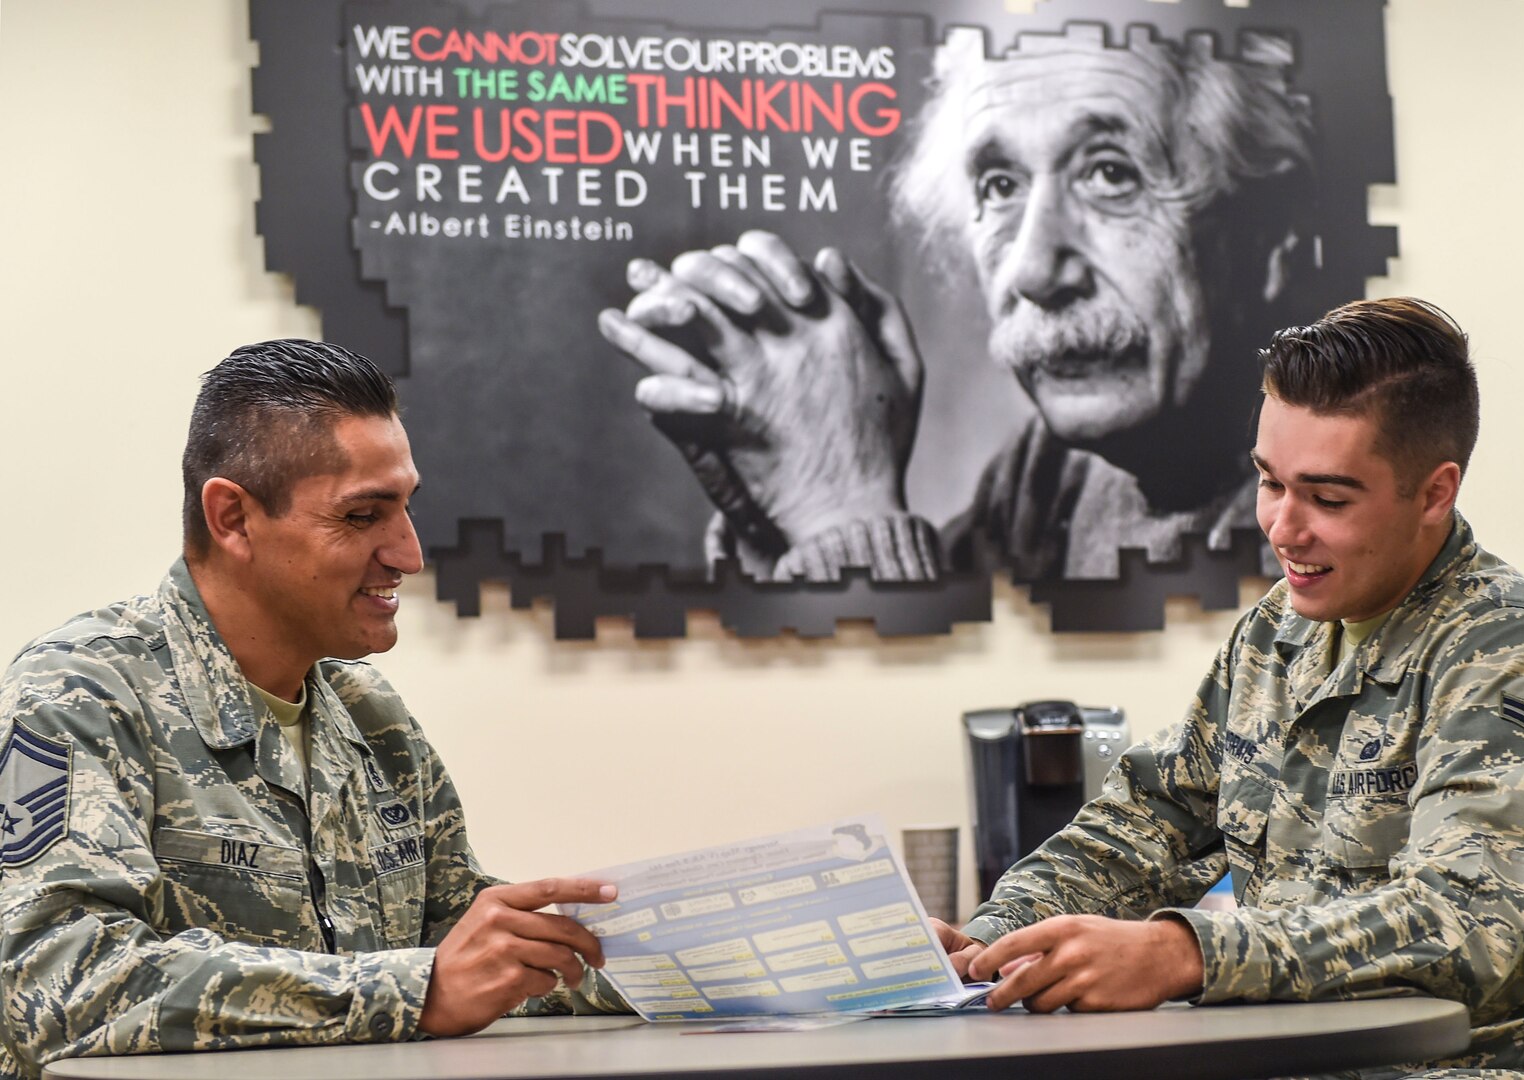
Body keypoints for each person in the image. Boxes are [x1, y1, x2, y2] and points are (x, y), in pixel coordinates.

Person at [933, 298, 1524, 1077]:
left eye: (1327, 498)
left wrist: (1185, 954)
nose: (1281, 527)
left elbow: (1460, 919)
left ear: (1434, 493)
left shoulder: (1504, 647)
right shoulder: (1276, 632)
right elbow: (1148, 819)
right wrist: (993, 941)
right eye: (1268, 482)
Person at [0, 341, 627, 1079]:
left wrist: (677, 964)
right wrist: (413, 991)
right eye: (363, 516)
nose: (408, 554)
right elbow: (55, 985)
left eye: (405, 509)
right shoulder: (77, 696)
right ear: (233, 518)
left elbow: (463, 952)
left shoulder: (370, 718)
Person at [597, 25, 1314, 582]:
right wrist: (780, 503)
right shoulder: (1048, 474)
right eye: (999, 185)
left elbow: (910, 736)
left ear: (1268, 238)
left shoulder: (1323, 514)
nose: (1033, 270)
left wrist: (843, 504)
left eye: (1109, 174)